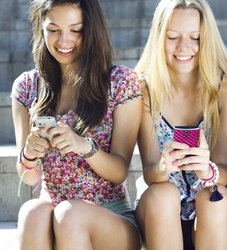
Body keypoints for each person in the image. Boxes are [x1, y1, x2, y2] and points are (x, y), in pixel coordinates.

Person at [11, 0, 142, 249]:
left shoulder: (120, 82)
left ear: (91, 30)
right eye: (53, 30)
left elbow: (119, 170)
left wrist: (84, 146)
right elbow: (29, 178)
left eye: (75, 30)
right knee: (32, 211)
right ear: (41, 29)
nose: (64, 41)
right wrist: (29, 154)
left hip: (110, 217)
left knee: (70, 214)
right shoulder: (27, 87)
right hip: (54, 208)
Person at [134, 0, 227, 249]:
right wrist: (164, 166)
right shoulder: (143, 89)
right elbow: (150, 172)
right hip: (160, 210)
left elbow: (223, 169)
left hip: (214, 205)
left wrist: (206, 169)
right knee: (164, 194)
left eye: (195, 37)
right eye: (173, 37)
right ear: (159, 37)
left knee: (213, 197)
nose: (184, 47)